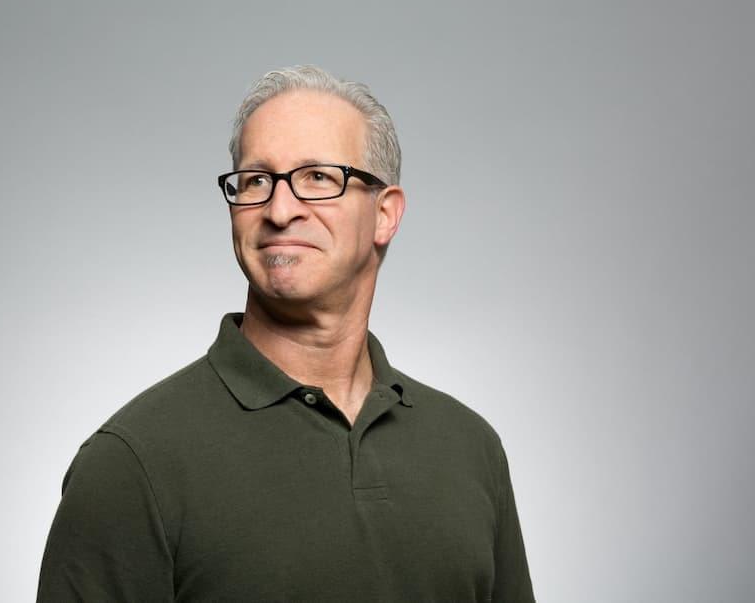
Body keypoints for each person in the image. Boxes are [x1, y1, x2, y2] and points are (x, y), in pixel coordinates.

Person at [37, 65, 535, 602]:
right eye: (256, 181)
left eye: (318, 177)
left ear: (385, 214)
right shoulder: (132, 464)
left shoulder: (469, 448)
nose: (278, 210)